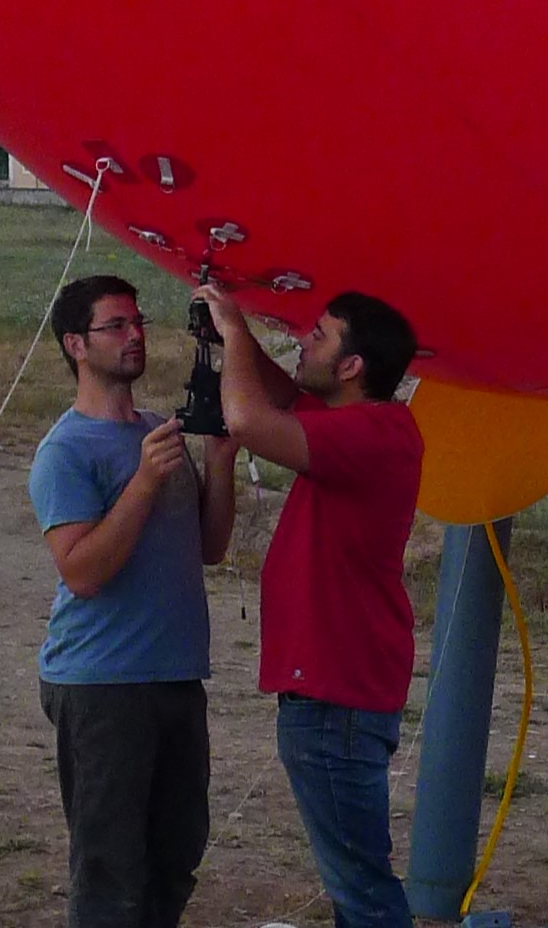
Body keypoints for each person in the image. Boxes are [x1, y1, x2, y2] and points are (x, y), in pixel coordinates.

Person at [191, 282, 422, 928]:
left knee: (363, 892)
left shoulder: (373, 435)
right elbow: (281, 394)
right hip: (338, 694)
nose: (302, 342)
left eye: (318, 337)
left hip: (333, 700)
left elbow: (248, 421)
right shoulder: (362, 421)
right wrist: (223, 327)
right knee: (357, 881)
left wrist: (237, 332)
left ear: (353, 367)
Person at [28, 274, 239, 928]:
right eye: (115, 326)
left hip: (176, 677)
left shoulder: (159, 432)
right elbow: (83, 571)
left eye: (139, 321)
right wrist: (144, 482)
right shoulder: (64, 452)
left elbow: (208, 545)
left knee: (176, 856)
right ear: (75, 344)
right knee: (110, 872)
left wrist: (220, 458)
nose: (135, 335)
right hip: (102, 686)